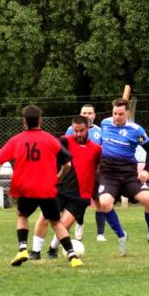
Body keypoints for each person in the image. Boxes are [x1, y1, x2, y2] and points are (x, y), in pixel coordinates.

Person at [0, 105, 82, 268]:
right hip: (46, 188)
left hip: (25, 188)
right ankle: (73, 256)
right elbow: (67, 164)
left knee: (22, 216)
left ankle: (23, 248)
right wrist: (58, 177)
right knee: (56, 222)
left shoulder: (16, 140)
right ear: (40, 120)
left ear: (24, 122)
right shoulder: (50, 139)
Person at [97, 98, 149, 256]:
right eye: (114, 113)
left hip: (128, 175)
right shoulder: (105, 124)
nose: (116, 117)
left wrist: (146, 170)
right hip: (109, 175)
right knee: (105, 203)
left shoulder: (136, 131)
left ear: (128, 113)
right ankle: (122, 236)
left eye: (120, 114)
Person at [30, 115, 102, 259]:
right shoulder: (65, 141)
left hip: (81, 195)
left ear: (87, 128)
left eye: (81, 131)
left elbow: (96, 172)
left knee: (63, 224)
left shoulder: (96, 149)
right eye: (75, 131)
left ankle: (52, 249)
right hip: (60, 189)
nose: (78, 134)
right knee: (44, 217)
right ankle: (35, 252)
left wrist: (95, 195)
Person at [65, 104, 107, 242]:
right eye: (84, 113)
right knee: (77, 201)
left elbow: (103, 152)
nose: (87, 115)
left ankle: (100, 233)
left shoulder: (100, 131)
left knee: (98, 201)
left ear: (94, 115)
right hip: (77, 172)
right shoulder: (72, 130)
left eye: (90, 113)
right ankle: (79, 223)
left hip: (95, 172)